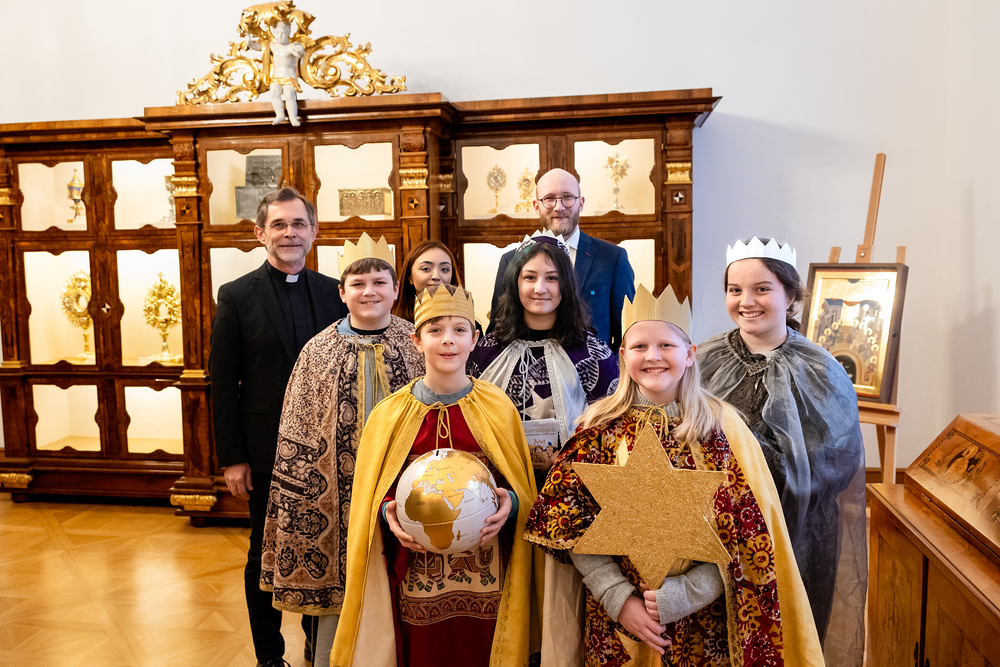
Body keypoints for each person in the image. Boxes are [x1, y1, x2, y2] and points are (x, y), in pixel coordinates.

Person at [525, 284, 824, 666]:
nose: (653, 356)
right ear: (623, 356)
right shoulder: (597, 428)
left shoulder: (722, 429)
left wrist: (690, 592)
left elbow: (749, 538)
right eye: (640, 346)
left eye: (666, 345)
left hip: (700, 625)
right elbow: (568, 523)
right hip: (618, 624)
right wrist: (617, 597)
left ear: (689, 354)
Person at [331, 285, 540, 667]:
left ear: (474, 339)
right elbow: (371, 499)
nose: (448, 340)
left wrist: (510, 505)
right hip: (417, 575)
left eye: (459, 330)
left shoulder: (498, 407)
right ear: (416, 340)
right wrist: (388, 512)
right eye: (435, 330)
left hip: (488, 576)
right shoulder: (389, 414)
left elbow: (520, 488)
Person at [697, 237, 867, 667]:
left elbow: (837, 459)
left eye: (762, 289)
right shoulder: (702, 360)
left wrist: (754, 461)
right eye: (735, 290)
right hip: (714, 526)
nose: (746, 301)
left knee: (786, 635)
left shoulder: (822, 369)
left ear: (790, 296)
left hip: (796, 530)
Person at [259, 233, 425, 667]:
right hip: (335, 494)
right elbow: (296, 428)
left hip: (402, 482)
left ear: (396, 289)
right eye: (358, 284)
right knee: (343, 589)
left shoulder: (417, 342)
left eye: (379, 282)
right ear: (341, 292)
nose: (369, 292)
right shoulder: (317, 350)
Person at [210, 187, 347, 667]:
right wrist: (233, 458)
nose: (290, 233)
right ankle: (269, 656)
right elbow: (223, 382)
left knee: (320, 546)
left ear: (314, 231)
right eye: (279, 225)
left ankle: (315, 642)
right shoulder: (236, 295)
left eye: (298, 224)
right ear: (259, 233)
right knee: (262, 554)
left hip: (325, 450)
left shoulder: (333, 292)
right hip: (265, 449)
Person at [469, 233, 618, 478]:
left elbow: (610, 427)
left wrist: (569, 457)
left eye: (552, 278)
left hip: (569, 482)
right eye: (530, 277)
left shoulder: (594, 354)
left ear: (566, 285)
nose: (540, 289)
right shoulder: (486, 351)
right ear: (515, 282)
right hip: (499, 481)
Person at [488, 168, 635, 351]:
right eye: (549, 198)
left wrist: (609, 367)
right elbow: (497, 331)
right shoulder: (510, 260)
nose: (559, 207)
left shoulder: (612, 259)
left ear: (581, 203)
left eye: (567, 197)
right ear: (536, 206)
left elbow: (628, 333)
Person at [392, 240, 462, 322]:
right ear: (410, 277)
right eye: (426, 269)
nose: (436, 276)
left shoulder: (467, 324)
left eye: (444, 269)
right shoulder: (391, 324)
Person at [268, 21, 305, 126]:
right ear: (274, 33)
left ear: (288, 32)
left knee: (288, 94)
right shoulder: (272, 45)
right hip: (276, 77)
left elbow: (300, 55)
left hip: (289, 77)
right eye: (277, 33)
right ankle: (280, 114)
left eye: (283, 33)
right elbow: (258, 46)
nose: (280, 36)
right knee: (274, 91)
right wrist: (248, 40)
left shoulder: (292, 46)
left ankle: (293, 116)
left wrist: (300, 51)